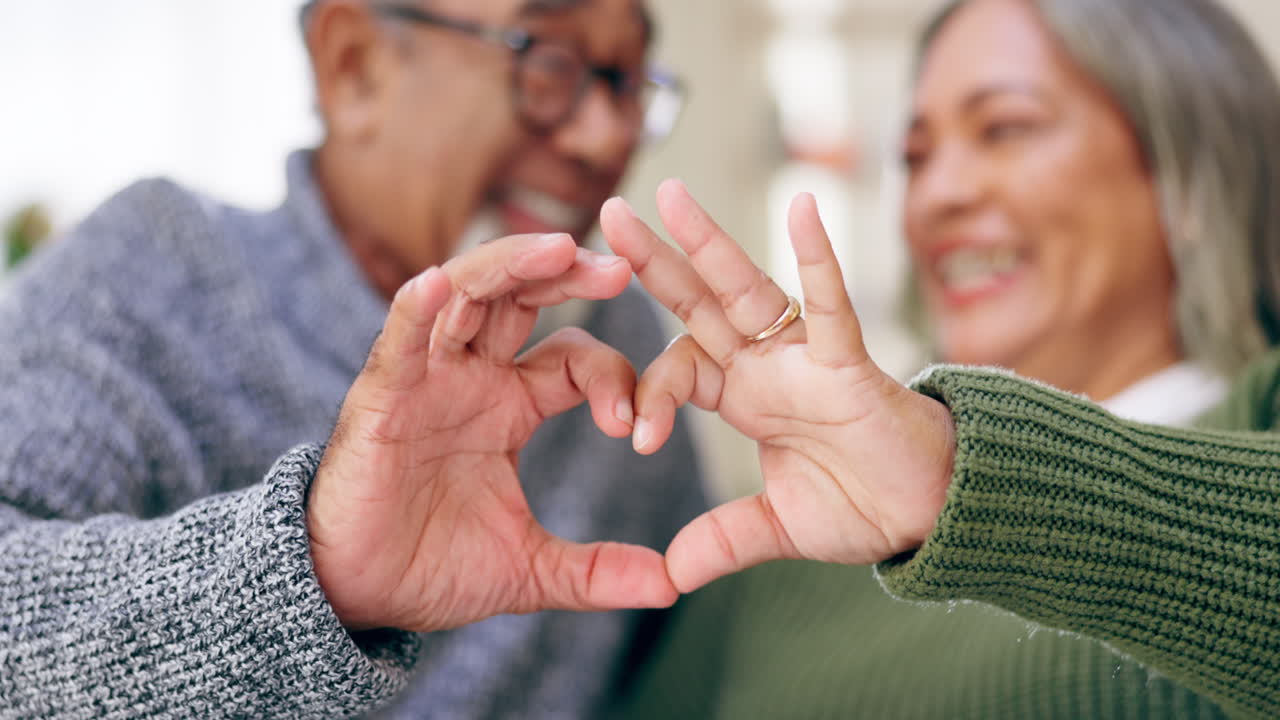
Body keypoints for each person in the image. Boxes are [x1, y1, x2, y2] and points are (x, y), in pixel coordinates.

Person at [0, 0, 707, 718]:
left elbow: (703, 633)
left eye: (621, 78)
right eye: (548, 59)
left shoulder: (615, 334)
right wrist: (310, 570)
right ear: (353, 67)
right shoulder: (144, 275)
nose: (605, 136)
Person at [603, 0, 1280, 717]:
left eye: (1005, 128)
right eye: (915, 159)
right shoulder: (785, 548)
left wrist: (962, 473)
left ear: (1190, 168)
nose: (937, 195)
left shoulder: (1259, 415)